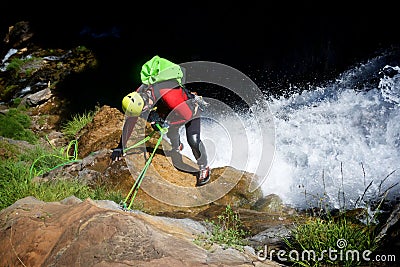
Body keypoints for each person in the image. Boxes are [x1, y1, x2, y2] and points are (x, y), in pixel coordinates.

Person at [110, 55, 211, 186]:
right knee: (171, 133)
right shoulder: (139, 94)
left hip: (191, 110)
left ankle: (204, 167)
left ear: (145, 105)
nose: (143, 114)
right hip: (168, 109)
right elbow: (131, 121)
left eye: (143, 111)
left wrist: (165, 122)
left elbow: (186, 116)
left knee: (193, 140)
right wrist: (121, 147)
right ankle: (176, 146)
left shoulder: (169, 96)